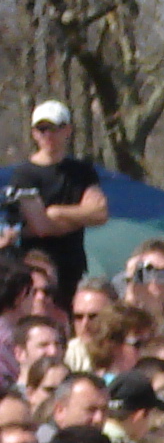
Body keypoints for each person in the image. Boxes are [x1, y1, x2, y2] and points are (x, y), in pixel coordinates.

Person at [5, 101, 108, 313]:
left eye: (55, 128)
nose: (48, 135)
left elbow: (100, 213)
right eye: (42, 129)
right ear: (34, 133)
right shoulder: (24, 175)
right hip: (35, 269)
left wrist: (57, 212)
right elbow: (40, 227)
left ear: (67, 130)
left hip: (73, 266)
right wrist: (80, 216)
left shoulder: (82, 171)